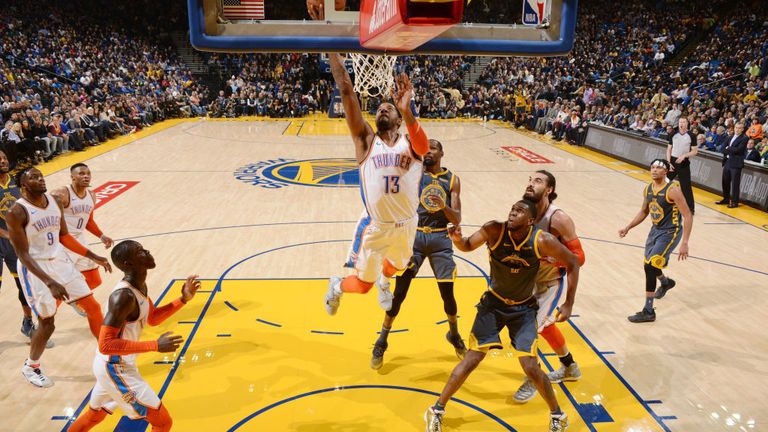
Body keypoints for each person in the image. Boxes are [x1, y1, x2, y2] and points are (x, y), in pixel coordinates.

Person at [424, 200, 579, 432]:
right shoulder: (494, 230)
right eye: (512, 209)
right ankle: (436, 409)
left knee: (531, 366)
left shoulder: (542, 240)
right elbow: (467, 245)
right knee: (472, 359)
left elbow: (574, 261)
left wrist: (568, 303)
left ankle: (558, 415)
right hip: (493, 305)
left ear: (531, 221)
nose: (513, 212)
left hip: (524, 309)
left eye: (520, 211)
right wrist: (457, 239)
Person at [324, 54, 430, 315]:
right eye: (379, 108)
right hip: (377, 227)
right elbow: (346, 89)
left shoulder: (411, 143)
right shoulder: (366, 141)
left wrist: (407, 110)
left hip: (407, 224)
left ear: (398, 120)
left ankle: (386, 282)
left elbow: (425, 147)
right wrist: (330, 47)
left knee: (398, 266)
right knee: (362, 286)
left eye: (389, 108)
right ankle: (337, 287)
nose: (383, 109)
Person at [68, 241, 200, 432]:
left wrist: (183, 299)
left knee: (93, 417)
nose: (147, 252)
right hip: (114, 367)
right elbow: (106, 344)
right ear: (128, 263)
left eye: (144, 248)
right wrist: (155, 345)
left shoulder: (139, 287)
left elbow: (152, 318)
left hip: (113, 365)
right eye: (140, 252)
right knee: (163, 422)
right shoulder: (123, 297)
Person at [7, 168, 112, 387]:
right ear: (23, 186)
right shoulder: (17, 212)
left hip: (60, 260)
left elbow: (64, 237)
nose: (40, 179)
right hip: (35, 268)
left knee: (92, 305)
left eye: (41, 176)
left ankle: (108, 352)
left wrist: (94, 256)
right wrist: (49, 282)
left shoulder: (54, 202)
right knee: (48, 323)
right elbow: (23, 254)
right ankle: (31, 366)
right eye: (34, 178)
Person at [370, 139, 466, 369]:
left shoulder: (452, 180)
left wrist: (443, 205)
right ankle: (382, 340)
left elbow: (457, 218)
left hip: (440, 239)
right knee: (399, 293)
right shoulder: (412, 174)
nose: (428, 151)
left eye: (433, 147)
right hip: (413, 237)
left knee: (448, 295)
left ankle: (453, 333)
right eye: (426, 148)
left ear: (442, 152)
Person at [513, 171, 586, 403]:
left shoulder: (559, 219)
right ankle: (569, 366)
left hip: (549, 283)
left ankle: (534, 378)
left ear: (549, 190)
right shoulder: (523, 210)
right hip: (527, 282)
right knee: (544, 328)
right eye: (529, 179)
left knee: (529, 332)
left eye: (537, 181)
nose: (530, 183)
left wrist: (568, 302)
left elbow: (579, 258)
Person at [619, 159, 693, 323]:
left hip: (670, 232)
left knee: (651, 266)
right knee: (649, 266)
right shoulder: (648, 189)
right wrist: (628, 227)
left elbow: (688, 215)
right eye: (652, 167)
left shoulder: (672, 190)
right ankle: (665, 283)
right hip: (655, 231)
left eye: (659, 168)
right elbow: (644, 211)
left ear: (666, 171)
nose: (654, 170)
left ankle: (648, 310)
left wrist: (685, 242)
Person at [0, 150, 49, 342]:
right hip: (3, 240)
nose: (3, 161)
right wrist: (8, 234)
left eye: (4, 157)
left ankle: (27, 321)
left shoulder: (18, 182)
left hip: (15, 243)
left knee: (23, 284)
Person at [51, 163, 114, 293]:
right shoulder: (61, 194)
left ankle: (76, 298)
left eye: (88, 173)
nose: (86, 176)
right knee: (62, 284)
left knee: (95, 280)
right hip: (63, 243)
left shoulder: (91, 195)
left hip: (80, 239)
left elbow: (88, 221)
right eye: (81, 174)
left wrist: (101, 235)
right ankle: (53, 308)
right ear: (72, 177)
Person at [667, 118, 698, 214]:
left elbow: (695, 151)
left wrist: (684, 155)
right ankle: (661, 201)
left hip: (684, 162)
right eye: (680, 122)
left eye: (683, 122)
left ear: (687, 123)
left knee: (686, 186)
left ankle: (690, 208)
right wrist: (669, 163)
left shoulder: (691, 136)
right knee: (665, 181)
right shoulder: (673, 134)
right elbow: (668, 149)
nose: (681, 124)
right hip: (672, 161)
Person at [716, 122, 748, 208]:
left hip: (736, 164)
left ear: (742, 129)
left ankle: (734, 202)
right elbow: (722, 148)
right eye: (736, 127)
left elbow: (739, 150)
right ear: (734, 128)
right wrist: (728, 149)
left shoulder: (744, 138)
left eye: (739, 128)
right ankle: (726, 199)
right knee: (725, 182)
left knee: (735, 184)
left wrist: (728, 148)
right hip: (727, 162)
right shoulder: (729, 137)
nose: (737, 129)